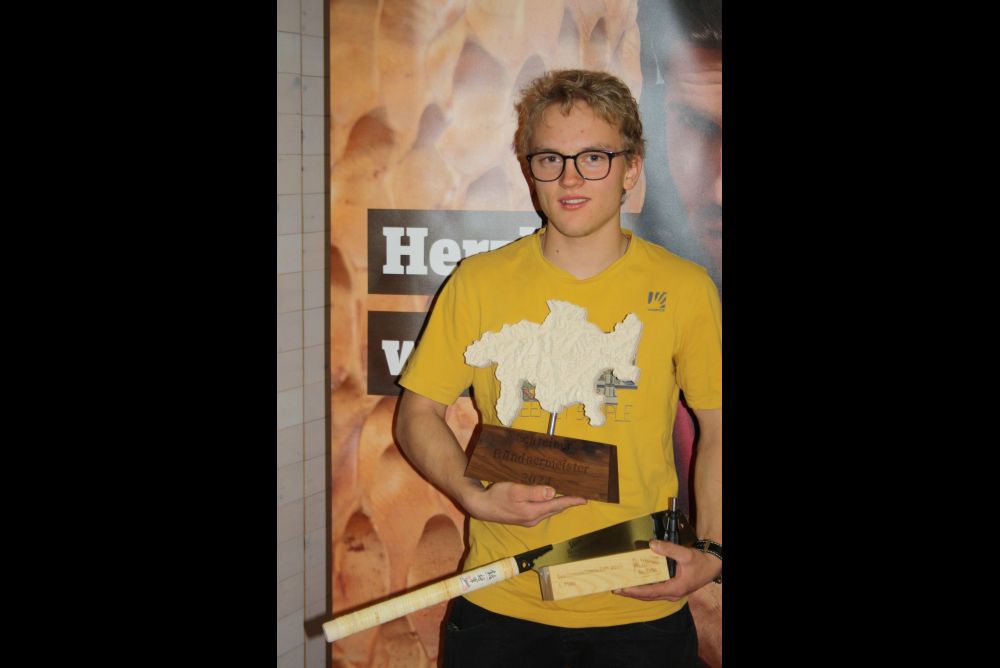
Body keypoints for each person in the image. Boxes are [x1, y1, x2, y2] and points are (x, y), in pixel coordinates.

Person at [395, 69, 722, 667]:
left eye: (593, 157)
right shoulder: (478, 282)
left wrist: (715, 550)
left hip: (638, 609)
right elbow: (417, 412)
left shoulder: (685, 288)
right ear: (530, 171)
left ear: (631, 168)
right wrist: (473, 496)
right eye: (551, 158)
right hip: (499, 605)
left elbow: (718, 429)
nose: (570, 178)